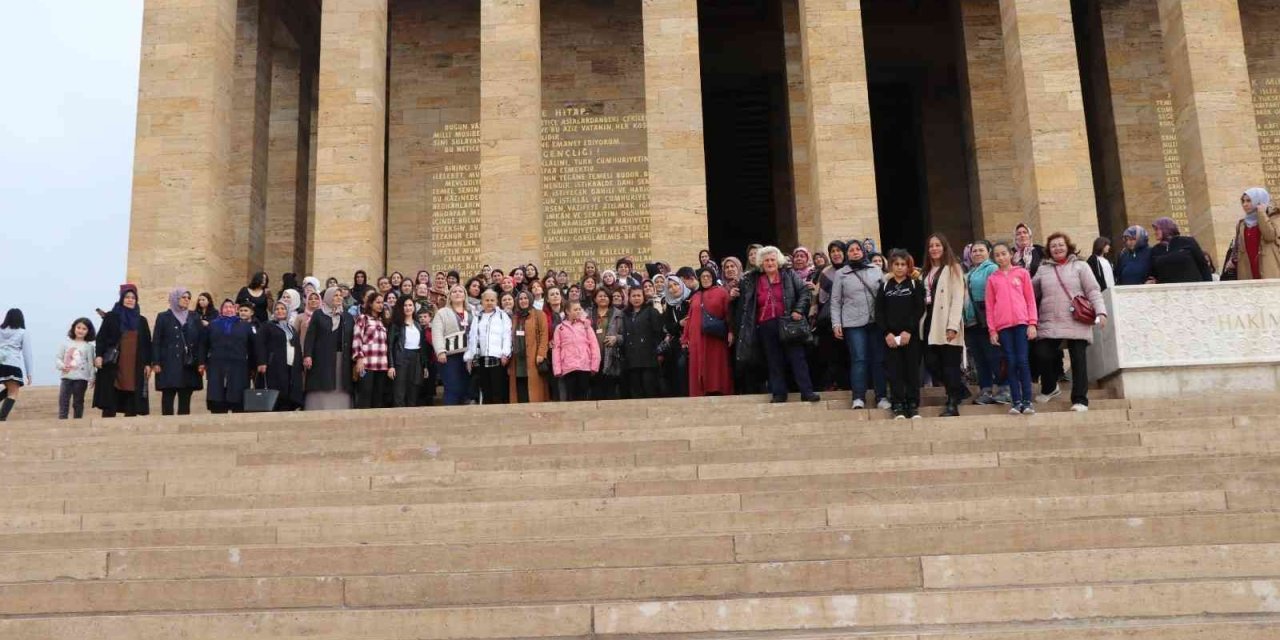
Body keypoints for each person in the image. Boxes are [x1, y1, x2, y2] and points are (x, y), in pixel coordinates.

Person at [1032, 232, 1108, 411]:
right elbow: (1030, 293)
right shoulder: (1043, 269)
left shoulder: (1080, 266)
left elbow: (1093, 291)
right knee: (1041, 353)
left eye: (1060, 245)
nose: (1057, 248)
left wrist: (1101, 312)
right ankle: (1050, 387)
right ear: (1048, 250)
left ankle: (1080, 400)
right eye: (1053, 246)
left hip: (1077, 319)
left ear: (1068, 247)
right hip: (1050, 320)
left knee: (1078, 359)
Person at [734, 246, 820, 403]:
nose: (769, 263)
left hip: (789, 322)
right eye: (766, 260)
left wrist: (799, 310)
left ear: (778, 260)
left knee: (797, 358)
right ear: (761, 263)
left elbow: (804, 292)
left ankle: (807, 392)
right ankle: (779, 393)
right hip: (766, 325)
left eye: (772, 259)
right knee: (774, 361)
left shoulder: (788, 274)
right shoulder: (754, 279)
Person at [831, 240, 888, 410]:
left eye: (858, 249)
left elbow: (885, 294)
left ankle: (881, 397)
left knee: (878, 360)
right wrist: (836, 323)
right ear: (847, 254)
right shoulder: (842, 273)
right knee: (859, 359)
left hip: (876, 322)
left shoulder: (876, 270)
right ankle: (858, 397)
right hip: (853, 323)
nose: (855, 252)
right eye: (851, 250)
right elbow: (835, 301)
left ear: (863, 252)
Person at [985, 242, 1039, 415]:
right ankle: (1015, 402)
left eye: (1004, 254)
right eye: (997, 255)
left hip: (1022, 323)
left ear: (1010, 254)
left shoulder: (1022, 273)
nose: (1001, 257)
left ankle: (1027, 401)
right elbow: (990, 306)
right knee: (1011, 362)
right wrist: (992, 330)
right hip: (1003, 326)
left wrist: (1032, 323)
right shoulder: (993, 278)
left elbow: (1030, 299)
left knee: (1022, 361)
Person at [921, 233, 968, 417]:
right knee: (932, 362)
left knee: (950, 364)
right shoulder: (925, 271)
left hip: (946, 320)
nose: (934, 248)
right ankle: (959, 389)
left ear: (944, 247)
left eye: (938, 245)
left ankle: (952, 402)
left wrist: (953, 325)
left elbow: (958, 298)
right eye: (931, 246)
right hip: (929, 321)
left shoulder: (953, 268)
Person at [876, 250, 925, 419]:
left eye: (903, 264)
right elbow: (879, 312)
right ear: (890, 266)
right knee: (894, 370)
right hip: (890, 338)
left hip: (910, 336)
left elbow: (919, 309)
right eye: (896, 264)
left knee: (911, 369)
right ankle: (898, 403)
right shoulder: (884, 286)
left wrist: (909, 331)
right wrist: (886, 333)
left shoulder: (914, 285)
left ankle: (912, 403)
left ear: (908, 266)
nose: (899, 267)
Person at [93, 286, 152, 418]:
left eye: (133, 298)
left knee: (132, 391)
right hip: (114, 362)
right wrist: (99, 356)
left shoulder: (142, 321)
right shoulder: (112, 317)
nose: (130, 300)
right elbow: (101, 338)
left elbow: (147, 344)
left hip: (134, 363)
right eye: (127, 297)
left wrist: (148, 363)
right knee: (111, 392)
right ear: (121, 299)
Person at [962, 241, 1008, 406]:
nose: (977, 253)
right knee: (980, 358)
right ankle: (986, 389)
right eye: (974, 251)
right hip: (972, 321)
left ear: (988, 252)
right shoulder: (971, 271)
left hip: (987, 319)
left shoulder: (991, 268)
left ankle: (1005, 388)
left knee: (994, 355)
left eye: (981, 250)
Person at [682, 267, 734, 397]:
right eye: (703, 277)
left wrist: (731, 331)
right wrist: (685, 338)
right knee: (698, 367)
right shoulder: (695, 296)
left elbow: (729, 314)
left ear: (713, 278)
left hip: (715, 338)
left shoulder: (722, 293)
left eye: (708, 276)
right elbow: (689, 317)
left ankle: (718, 390)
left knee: (716, 366)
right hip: (696, 339)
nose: (705, 279)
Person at [152, 287, 203, 415]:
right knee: (168, 396)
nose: (187, 300)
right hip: (168, 362)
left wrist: (201, 361)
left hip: (188, 363)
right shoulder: (163, 317)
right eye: (183, 297)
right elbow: (157, 341)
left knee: (185, 397)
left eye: (188, 298)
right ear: (175, 298)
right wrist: (156, 362)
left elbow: (201, 340)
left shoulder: (194, 317)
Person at [302, 287, 355, 411]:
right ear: (328, 297)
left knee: (341, 384)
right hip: (322, 357)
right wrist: (308, 355)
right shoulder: (319, 314)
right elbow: (310, 337)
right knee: (323, 383)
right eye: (335, 295)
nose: (338, 298)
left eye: (340, 295)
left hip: (342, 358)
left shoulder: (347, 317)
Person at [201, 299, 255, 413]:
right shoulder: (213, 325)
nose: (228, 309)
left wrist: (253, 366)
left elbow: (252, 347)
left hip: (239, 365)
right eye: (225, 307)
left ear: (235, 309)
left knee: (237, 395)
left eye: (231, 307)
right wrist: (202, 362)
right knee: (217, 396)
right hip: (217, 365)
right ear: (221, 310)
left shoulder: (245, 325)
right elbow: (204, 345)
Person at [810, 241, 848, 392]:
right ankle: (834, 383)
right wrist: (813, 316)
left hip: (850, 319)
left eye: (839, 250)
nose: (836, 254)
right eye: (833, 251)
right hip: (828, 322)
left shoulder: (851, 270)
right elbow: (817, 297)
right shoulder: (825, 272)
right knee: (831, 356)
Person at [466, 290, 512, 405]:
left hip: (497, 357)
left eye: (492, 300)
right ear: (482, 302)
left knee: (498, 389)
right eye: (487, 300)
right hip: (481, 358)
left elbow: (507, 335)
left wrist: (505, 353)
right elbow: (473, 337)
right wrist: (470, 356)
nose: (489, 303)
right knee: (485, 389)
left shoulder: (502, 316)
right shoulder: (478, 316)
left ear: (496, 301)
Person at [432, 285, 473, 406]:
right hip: (449, 356)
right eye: (454, 291)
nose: (457, 293)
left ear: (465, 295)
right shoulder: (442, 313)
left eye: (460, 291)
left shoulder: (471, 313)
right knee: (452, 387)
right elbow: (437, 332)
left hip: (468, 356)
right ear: (450, 296)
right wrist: (440, 351)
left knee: (466, 388)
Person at [260, 300, 305, 411]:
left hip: (291, 363)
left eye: (283, 309)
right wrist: (262, 362)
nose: (280, 311)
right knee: (279, 389)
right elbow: (260, 344)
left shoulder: (291, 328)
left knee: (290, 388)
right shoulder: (267, 326)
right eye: (277, 309)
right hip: (275, 364)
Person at [552, 300, 600, 401]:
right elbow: (556, 349)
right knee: (571, 396)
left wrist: (594, 365)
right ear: (567, 311)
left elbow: (594, 346)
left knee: (583, 394)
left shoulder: (586, 326)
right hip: (568, 367)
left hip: (584, 366)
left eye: (579, 309)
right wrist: (557, 368)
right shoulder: (560, 328)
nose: (578, 311)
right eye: (575, 309)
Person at [509, 290, 551, 403]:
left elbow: (544, 335)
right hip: (518, 359)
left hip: (533, 357)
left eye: (525, 298)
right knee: (520, 386)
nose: (523, 301)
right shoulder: (515, 317)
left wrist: (541, 353)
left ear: (530, 299)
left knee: (534, 389)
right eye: (521, 299)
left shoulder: (539, 314)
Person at [622, 287, 663, 399]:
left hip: (648, 358)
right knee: (635, 390)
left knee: (649, 388)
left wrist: (658, 352)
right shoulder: (625, 314)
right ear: (629, 298)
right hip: (631, 359)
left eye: (639, 295)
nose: (636, 298)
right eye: (633, 296)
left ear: (644, 297)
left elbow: (658, 333)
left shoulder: (651, 311)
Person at [352, 293, 391, 409]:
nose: (380, 305)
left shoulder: (383, 321)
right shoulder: (363, 318)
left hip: (382, 365)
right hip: (367, 364)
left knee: (378, 397)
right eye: (377, 302)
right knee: (365, 394)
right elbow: (357, 339)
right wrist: (359, 359)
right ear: (370, 303)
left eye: (382, 303)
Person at [1231, 188, 1280, 280]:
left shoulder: (1275, 217)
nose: (1244, 204)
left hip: (1269, 269)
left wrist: (1261, 213)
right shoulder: (1242, 224)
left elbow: (1270, 236)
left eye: (1249, 201)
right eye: (1243, 201)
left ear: (1259, 201)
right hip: (1248, 270)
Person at [388, 296, 428, 408]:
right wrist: (391, 366)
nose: (408, 308)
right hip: (401, 359)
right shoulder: (396, 324)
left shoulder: (418, 325)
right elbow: (390, 346)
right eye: (405, 305)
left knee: (413, 391)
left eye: (410, 305)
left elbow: (422, 347)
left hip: (416, 359)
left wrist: (424, 366)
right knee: (399, 392)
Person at [1148, 217, 1213, 283]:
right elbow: (1154, 272)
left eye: (1157, 230)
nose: (1155, 233)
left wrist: (1209, 287)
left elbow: (1203, 266)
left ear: (1166, 228)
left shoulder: (1187, 241)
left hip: (1193, 288)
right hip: (1170, 290)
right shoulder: (1155, 249)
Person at [56, 318, 96, 420]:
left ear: (88, 331)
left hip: (81, 379)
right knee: (63, 400)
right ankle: (62, 420)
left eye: (84, 329)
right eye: (78, 327)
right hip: (66, 377)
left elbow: (91, 363)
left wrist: (93, 377)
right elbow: (58, 358)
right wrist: (62, 366)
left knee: (78, 402)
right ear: (74, 328)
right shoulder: (65, 344)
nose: (80, 330)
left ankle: (78, 421)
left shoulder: (89, 347)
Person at [660, 273, 692, 397]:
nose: (673, 288)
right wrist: (679, 324)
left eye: (676, 285)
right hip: (676, 344)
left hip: (691, 343)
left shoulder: (690, 300)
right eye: (670, 287)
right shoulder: (670, 305)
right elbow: (668, 327)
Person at [588, 288, 624, 400]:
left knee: (610, 391)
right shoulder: (587, 314)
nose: (603, 298)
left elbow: (627, 335)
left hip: (612, 357)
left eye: (605, 296)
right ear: (595, 298)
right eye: (600, 296)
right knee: (595, 391)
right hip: (592, 357)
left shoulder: (619, 314)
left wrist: (616, 338)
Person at [0, 309, 35, 421]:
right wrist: (29, 373)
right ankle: (1, 418)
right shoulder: (22, 332)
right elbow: (27, 354)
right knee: (13, 392)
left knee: (10, 388)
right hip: (12, 364)